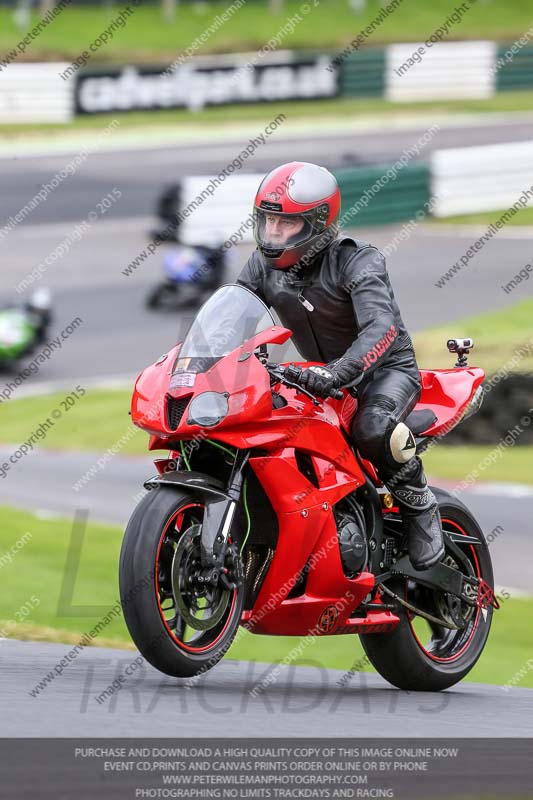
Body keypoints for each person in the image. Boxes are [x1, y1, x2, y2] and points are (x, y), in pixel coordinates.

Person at [236, 161, 444, 571]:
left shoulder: (357, 261)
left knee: (370, 428)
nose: (274, 234)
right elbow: (233, 314)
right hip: (317, 375)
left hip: (384, 372)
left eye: (286, 225)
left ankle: (421, 509)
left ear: (318, 223)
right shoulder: (262, 266)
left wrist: (339, 373)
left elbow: (381, 328)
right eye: (268, 223)